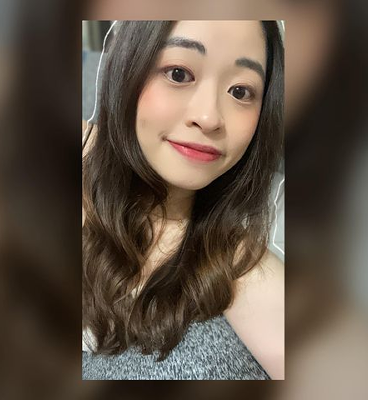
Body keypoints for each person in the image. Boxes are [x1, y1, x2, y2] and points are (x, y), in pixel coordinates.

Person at [82, 20, 284, 380]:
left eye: (240, 91)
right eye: (178, 73)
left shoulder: (237, 262)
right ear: (126, 67)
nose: (208, 118)